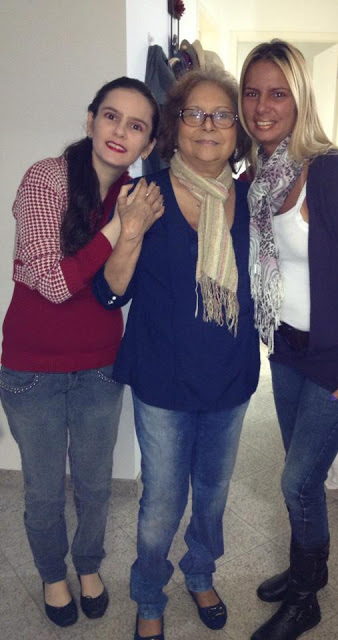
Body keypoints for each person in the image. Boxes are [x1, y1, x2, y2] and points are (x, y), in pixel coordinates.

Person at [93, 67, 260, 640]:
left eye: (221, 115)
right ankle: (148, 592)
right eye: (194, 114)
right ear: (175, 126)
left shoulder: (252, 201)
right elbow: (110, 292)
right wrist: (131, 232)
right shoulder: (146, 195)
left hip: (230, 377)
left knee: (212, 496)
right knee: (162, 502)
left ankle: (200, 571)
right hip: (163, 381)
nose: (208, 126)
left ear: (236, 130)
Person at [0, 77, 163, 628]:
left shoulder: (140, 196)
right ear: (91, 119)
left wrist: (131, 225)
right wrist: (120, 227)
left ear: (147, 143)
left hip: (99, 365)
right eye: (111, 116)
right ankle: (53, 574)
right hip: (31, 369)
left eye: (136, 126)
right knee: (45, 491)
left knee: (95, 484)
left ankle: (88, 565)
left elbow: (123, 284)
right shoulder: (46, 178)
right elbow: (52, 282)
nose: (120, 131)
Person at [238, 40, 338, 640]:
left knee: (297, 481)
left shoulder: (332, 174)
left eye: (278, 93)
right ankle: (306, 570)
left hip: (337, 361)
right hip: (287, 353)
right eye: (252, 93)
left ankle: (306, 599)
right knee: (300, 474)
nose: (263, 107)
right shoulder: (258, 180)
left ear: (300, 99)